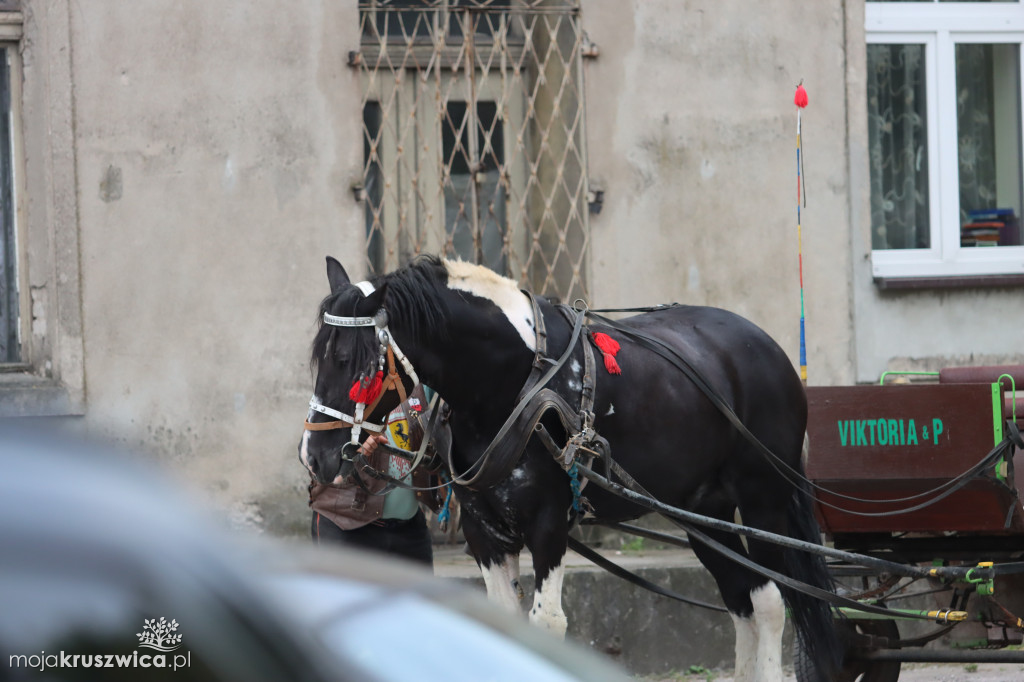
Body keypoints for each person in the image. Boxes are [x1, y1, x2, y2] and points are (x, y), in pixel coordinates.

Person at [308, 385, 442, 566]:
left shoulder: (415, 382)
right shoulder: (342, 380)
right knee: (347, 595)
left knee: (418, 595)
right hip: (346, 526)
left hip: (409, 529)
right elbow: (313, 453)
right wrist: (354, 446)